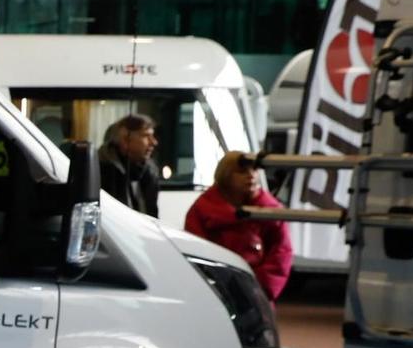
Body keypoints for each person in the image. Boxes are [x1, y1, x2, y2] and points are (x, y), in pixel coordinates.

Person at [186, 150, 293, 300]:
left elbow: (281, 254)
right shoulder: (202, 210)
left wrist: (259, 287)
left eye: (254, 169)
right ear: (226, 175)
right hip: (215, 291)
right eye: (242, 171)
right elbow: (194, 250)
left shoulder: (271, 212)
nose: (251, 175)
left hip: (255, 293)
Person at [98, 113, 161, 217]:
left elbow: (152, 215)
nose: (154, 142)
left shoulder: (149, 171)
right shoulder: (102, 169)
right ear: (125, 140)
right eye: (146, 136)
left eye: (152, 136)